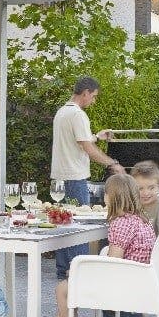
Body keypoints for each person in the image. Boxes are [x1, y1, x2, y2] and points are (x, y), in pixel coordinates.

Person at [42, 174, 156, 317]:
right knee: (70, 282)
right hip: (140, 281)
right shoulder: (141, 220)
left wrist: (82, 272)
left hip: (125, 286)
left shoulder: (120, 223)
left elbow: (113, 264)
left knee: (63, 289)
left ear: (110, 197)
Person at [50, 76, 124, 282]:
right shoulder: (78, 115)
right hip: (74, 179)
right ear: (86, 93)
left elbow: (79, 140)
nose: (94, 101)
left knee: (63, 227)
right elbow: (87, 149)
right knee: (78, 228)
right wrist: (112, 164)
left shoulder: (62, 112)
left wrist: (97, 136)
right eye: (94, 96)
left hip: (58, 180)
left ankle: (64, 274)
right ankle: (78, 274)